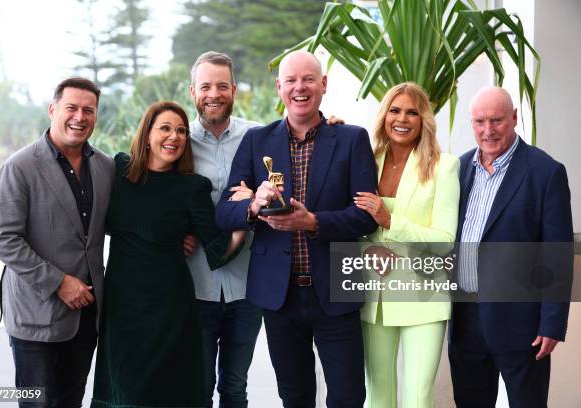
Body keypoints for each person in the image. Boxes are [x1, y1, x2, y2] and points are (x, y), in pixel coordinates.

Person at [215, 50, 377, 408]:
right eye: (290, 80)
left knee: (349, 395)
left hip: (337, 288)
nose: (299, 87)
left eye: (307, 79)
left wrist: (314, 222)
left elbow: (366, 216)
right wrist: (254, 206)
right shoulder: (258, 141)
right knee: (294, 395)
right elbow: (224, 212)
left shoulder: (352, 139)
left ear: (323, 85)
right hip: (279, 295)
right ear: (279, 87)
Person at [90, 101, 247, 408]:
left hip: (170, 311)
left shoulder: (191, 187)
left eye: (181, 131)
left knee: (164, 395)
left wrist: (245, 218)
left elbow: (217, 251)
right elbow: (107, 222)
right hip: (122, 308)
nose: (174, 136)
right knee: (122, 394)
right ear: (147, 133)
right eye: (165, 128)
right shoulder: (119, 170)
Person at [0, 77, 114, 407]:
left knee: (71, 400)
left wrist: (177, 235)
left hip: (87, 315)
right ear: (52, 110)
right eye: (71, 108)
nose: (80, 116)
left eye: (89, 110)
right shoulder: (19, 167)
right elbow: (3, 238)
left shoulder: (105, 166)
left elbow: (116, 223)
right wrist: (58, 282)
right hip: (35, 313)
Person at [448, 87, 573, 408]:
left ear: (514, 118)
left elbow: (556, 254)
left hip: (522, 322)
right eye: (479, 122)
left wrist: (552, 323)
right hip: (465, 321)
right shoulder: (457, 170)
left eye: (496, 120)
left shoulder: (546, 172)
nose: (487, 131)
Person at [354, 83, 460, 407]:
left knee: (417, 396)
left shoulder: (445, 167)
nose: (402, 118)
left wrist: (391, 222)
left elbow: (444, 242)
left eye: (412, 112)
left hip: (423, 297)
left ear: (424, 119)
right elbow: (350, 226)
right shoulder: (365, 161)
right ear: (384, 115)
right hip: (374, 299)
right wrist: (367, 250)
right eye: (395, 110)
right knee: (377, 394)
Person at [186, 51, 263, 408]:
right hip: (194, 288)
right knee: (197, 388)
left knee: (235, 388)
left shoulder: (258, 137)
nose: (213, 94)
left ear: (233, 90)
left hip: (247, 288)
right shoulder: (176, 140)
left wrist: (329, 125)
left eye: (221, 86)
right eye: (205, 86)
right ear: (192, 92)